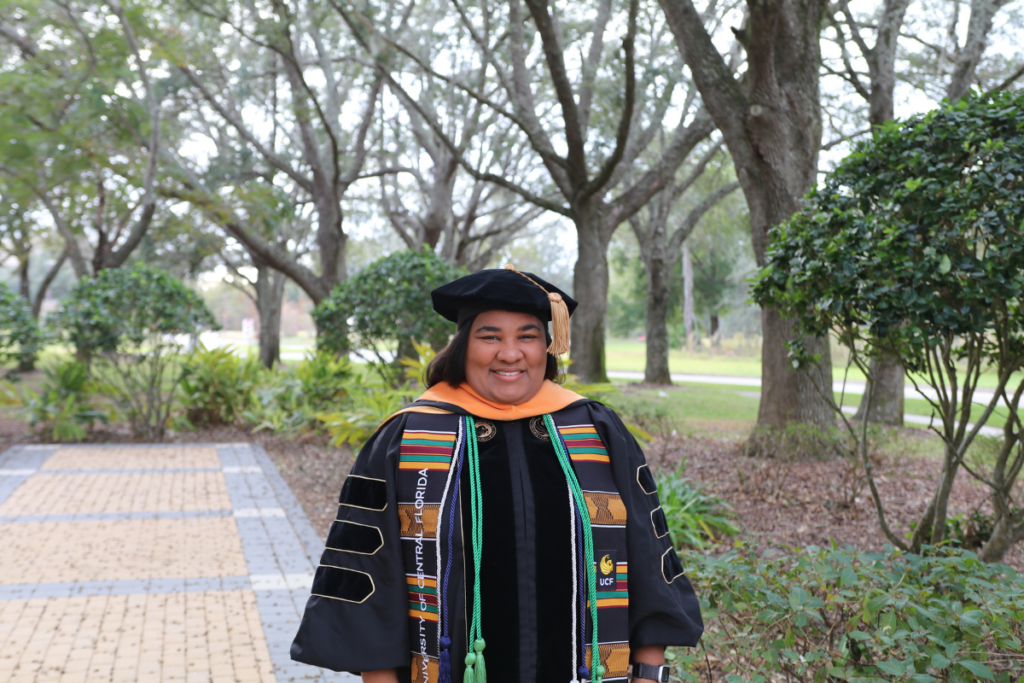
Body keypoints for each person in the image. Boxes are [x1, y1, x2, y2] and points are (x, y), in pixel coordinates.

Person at [291, 266, 702, 683]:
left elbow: (648, 558)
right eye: (490, 336)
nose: (510, 353)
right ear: (462, 346)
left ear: (547, 346)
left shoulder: (595, 430)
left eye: (527, 336)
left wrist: (649, 673)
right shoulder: (412, 436)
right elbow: (370, 576)